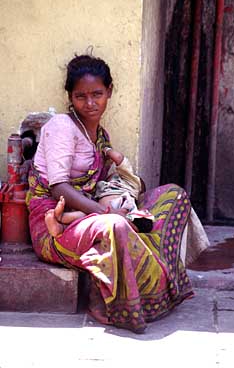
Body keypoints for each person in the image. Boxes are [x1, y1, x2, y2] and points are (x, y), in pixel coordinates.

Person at [26, 53, 209, 334]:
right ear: (70, 97)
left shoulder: (100, 137)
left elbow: (111, 181)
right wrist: (105, 212)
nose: (90, 103)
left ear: (109, 92)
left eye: (97, 94)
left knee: (174, 196)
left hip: (91, 210)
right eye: (80, 96)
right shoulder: (62, 127)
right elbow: (58, 187)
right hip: (54, 222)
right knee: (114, 225)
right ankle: (105, 300)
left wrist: (128, 198)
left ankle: (156, 285)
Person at [45, 146, 155, 237]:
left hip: (119, 211)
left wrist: (105, 149)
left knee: (87, 213)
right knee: (85, 217)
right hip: (102, 212)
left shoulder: (131, 181)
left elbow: (119, 158)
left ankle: (61, 220)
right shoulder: (104, 185)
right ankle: (61, 223)